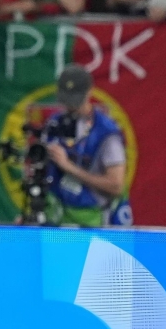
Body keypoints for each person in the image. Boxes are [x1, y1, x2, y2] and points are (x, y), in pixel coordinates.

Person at [43, 64, 129, 227]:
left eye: (75, 100)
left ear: (89, 91)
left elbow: (116, 185)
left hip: (93, 220)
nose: (71, 106)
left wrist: (68, 167)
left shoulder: (106, 134)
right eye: (66, 99)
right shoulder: (54, 123)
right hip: (58, 216)